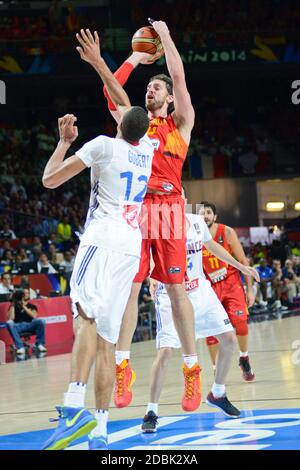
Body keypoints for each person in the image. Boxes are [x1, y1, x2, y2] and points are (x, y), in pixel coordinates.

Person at [41, 29, 154, 451]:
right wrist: (108, 66)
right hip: (129, 245)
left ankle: (73, 410)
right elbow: (123, 100)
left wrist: (63, 143)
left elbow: (50, 180)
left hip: (101, 240)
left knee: (83, 320)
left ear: (120, 122)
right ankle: (102, 430)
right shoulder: (149, 148)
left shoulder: (103, 145)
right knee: (106, 339)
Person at [84, 19, 200, 411]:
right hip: (134, 210)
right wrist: (135, 55)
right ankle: (121, 366)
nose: (149, 90)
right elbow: (108, 88)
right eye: (147, 87)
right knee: (130, 288)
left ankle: (191, 368)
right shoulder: (132, 123)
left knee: (175, 288)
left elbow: (180, 76)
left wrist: (165, 36)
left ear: (168, 99)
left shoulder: (179, 124)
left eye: (156, 88)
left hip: (168, 209)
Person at [141, 202, 260, 431]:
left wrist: (241, 267)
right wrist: (151, 276)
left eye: (178, 197)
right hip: (171, 295)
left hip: (201, 292)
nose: (174, 201)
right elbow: (149, 256)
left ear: (183, 201)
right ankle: (151, 410)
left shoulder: (196, 222)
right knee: (165, 351)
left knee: (229, 339)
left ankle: (217, 393)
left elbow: (212, 246)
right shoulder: (157, 225)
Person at [201, 202, 256, 382]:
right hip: (209, 288)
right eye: (201, 213)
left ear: (215, 216)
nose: (205, 216)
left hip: (231, 283)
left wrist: (250, 290)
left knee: (240, 322)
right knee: (211, 329)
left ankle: (244, 357)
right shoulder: (193, 234)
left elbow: (242, 260)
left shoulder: (227, 232)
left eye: (208, 212)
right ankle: (217, 368)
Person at [6, 288, 47, 355]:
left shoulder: (32, 306)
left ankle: (40, 344)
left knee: (41, 320)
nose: (25, 294)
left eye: (27, 293)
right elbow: (11, 319)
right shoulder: (13, 306)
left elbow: (34, 316)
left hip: (30, 325)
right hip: (18, 326)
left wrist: (23, 306)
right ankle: (20, 347)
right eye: (23, 293)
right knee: (9, 323)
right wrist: (13, 304)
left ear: (29, 295)